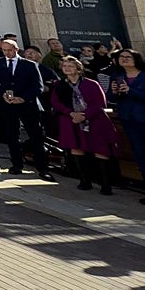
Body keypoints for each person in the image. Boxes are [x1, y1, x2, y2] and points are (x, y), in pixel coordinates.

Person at [52, 56, 119, 195]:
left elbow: (100, 103)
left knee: (100, 150)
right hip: (71, 120)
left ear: (78, 68)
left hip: (94, 120)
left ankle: (106, 184)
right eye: (65, 66)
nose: (67, 68)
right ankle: (85, 180)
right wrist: (71, 113)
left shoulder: (91, 83)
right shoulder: (60, 85)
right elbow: (56, 102)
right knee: (76, 148)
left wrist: (84, 115)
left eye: (70, 65)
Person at [0, 37, 54, 182]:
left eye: (10, 50)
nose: (7, 53)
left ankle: (42, 168)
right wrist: (2, 95)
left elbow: (38, 87)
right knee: (12, 136)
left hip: (27, 105)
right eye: (4, 50)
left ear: (16, 50)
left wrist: (23, 98)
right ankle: (16, 165)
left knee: (35, 136)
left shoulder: (29, 65)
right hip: (7, 105)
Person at [108, 49, 145, 204]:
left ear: (135, 59)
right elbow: (111, 98)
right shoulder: (117, 76)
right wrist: (113, 92)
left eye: (127, 57)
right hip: (128, 120)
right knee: (140, 155)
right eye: (121, 57)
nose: (123, 59)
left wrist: (131, 91)